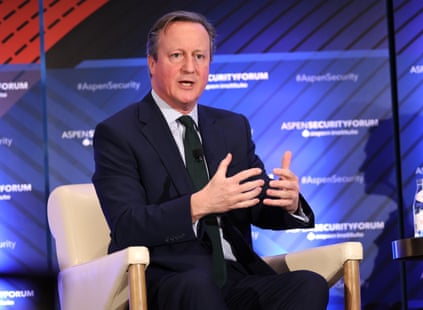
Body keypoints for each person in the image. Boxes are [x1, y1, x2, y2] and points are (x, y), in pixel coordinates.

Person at [92, 10, 329, 310]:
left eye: (200, 57)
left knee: (308, 285)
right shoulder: (119, 133)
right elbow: (127, 225)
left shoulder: (232, 127)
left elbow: (255, 204)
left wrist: (289, 202)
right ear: (152, 63)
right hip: (172, 280)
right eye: (177, 55)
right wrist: (198, 205)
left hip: (237, 277)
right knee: (198, 287)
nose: (189, 68)